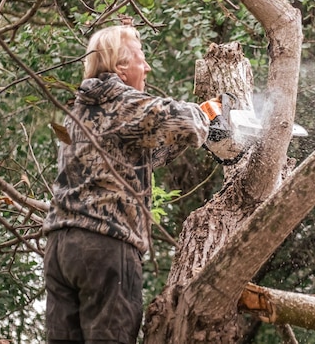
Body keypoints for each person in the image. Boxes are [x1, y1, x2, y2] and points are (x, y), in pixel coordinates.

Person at [43, 25, 210, 344]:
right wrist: (212, 113)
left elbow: (128, 154)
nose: (147, 67)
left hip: (60, 250)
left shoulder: (79, 111)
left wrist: (181, 142)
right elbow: (181, 117)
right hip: (105, 245)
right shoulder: (120, 100)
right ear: (120, 66)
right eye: (141, 58)